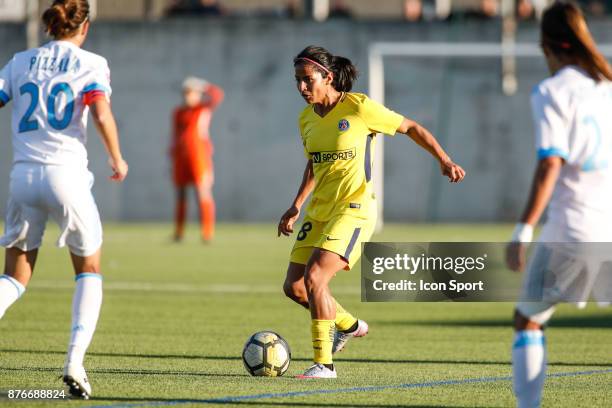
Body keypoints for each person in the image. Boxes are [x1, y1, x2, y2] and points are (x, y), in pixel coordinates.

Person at [279, 45, 466, 379]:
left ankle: (324, 365)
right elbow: (315, 163)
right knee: (295, 287)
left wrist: (444, 159)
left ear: (328, 77)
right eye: (297, 81)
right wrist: (296, 205)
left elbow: (410, 127)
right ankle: (349, 325)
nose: (301, 88)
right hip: (319, 211)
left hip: (354, 208)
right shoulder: (305, 119)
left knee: (316, 277)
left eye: (307, 80)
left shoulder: (358, 108)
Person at [0, 0, 128, 399]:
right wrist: (117, 157)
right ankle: (74, 362)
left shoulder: (20, 60)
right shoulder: (91, 63)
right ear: (84, 26)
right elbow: (102, 114)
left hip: (22, 177)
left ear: (48, 26)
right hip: (67, 178)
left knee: (14, 276)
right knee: (88, 268)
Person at [506, 2, 612, 407]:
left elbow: (551, 161)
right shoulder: (605, 87)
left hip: (574, 227)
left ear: (547, 44)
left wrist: (523, 229)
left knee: (528, 319)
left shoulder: (551, 91)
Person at [170, 77, 224, 242]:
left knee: (202, 192)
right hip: (181, 156)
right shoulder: (178, 112)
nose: (188, 96)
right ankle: (179, 233)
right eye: (185, 93)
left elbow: (217, 95)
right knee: (180, 193)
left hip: (198, 155)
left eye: (191, 93)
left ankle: (207, 233)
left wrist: (203, 85)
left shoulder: (202, 109)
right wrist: (172, 154)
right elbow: (175, 135)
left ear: (197, 94)